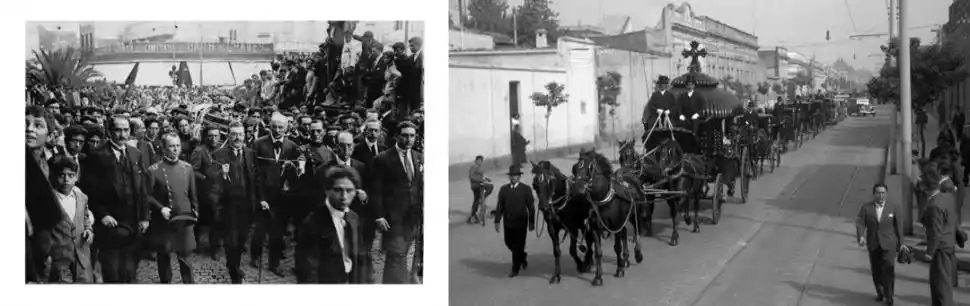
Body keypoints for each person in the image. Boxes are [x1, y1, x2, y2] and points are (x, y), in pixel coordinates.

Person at [81, 115, 150, 283]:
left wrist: (145, 217)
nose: (122, 134)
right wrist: (102, 214)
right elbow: (89, 190)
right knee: (112, 269)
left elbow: (142, 188)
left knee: (130, 269)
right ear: (109, 132)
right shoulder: (97, 155)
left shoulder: (135, 153)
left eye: (126, 130)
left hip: (133, 220)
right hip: (110, 222)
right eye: (118, 130)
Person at [207, 121, 261, 283]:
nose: (238, 138)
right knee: (231, 241)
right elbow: (211, 180)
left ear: (245, 135)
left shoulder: (250, 153)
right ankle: (234, 272)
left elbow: (256, 178)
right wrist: (222, 175)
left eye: (240, 134)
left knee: (242, 240)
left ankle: (235, 264)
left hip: (246, 205)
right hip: (228, 206)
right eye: (234, 134)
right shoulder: (219, 154)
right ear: (228, 136)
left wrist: (260, 200)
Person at [371, 121, 423, 284]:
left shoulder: (419, 157)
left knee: (401, 255)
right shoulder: (383, 159)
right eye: (405, 135)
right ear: (396, 136)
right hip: (393, 218)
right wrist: (379, 215)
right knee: (396, 255)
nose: (409, 139)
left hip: (413, 218)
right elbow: (376, 190)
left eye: (412, 136)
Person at [296, 166, 367, 283]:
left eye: (349, 191)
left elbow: (362, 259)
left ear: (356, 192)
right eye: (338, 190)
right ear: (327, 190)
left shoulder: (354, 218)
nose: (344, 197)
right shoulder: (313, 223)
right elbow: (307, 271)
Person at [252, 113, 301, 277]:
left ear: (286, 129)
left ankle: (274, 263)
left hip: (282, 197)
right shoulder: (259, 144)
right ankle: (255, 256)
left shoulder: (292, 146)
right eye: (274, 127)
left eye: (281, 127)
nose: (277, 130)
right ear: (269, 127)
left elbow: (294, 174)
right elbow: (255, 173)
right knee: (259, 229)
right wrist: (260, 197)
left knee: (278, 232)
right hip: (263, 193)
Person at [145, 133, 198, 284]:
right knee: (163, 256)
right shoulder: (154, 170)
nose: (175, 149)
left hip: (184, 219)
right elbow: (146, 195)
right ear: (163, 148)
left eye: (178, 145)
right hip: (164, 220)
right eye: (171, 146)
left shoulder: (187, 168)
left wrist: (195, 212)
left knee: (186, 257)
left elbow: (193, 194)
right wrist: (160, 208)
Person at [26, 106, 67, 283]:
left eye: (38, 125)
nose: (29, 129)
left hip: (48, 245)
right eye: (25, 124)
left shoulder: (52, 164)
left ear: (50, 136)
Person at [46, 156, 95, 283]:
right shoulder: (48, 200)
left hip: (81, 254)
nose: (66, 179)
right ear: (53, 177)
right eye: (61, 175)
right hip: (59, 257)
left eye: (70, 175)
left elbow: (85, 218)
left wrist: (88, 230)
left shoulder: (81, 197)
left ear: (76, 177)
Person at [855, 183, 905, 305]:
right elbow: (860, 222)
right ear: (874, 194)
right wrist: (861, 236)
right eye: (878, 193)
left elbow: (899, 226)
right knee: (876, 271)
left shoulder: (893, 207)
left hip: (889, 245)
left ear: (886, 194)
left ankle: (889, 296)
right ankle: (881, 293)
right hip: (874, 244)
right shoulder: (867, 208)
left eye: (883, 193)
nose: (881, 195)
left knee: (888, 270)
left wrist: (901, 244)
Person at [919, 163, 958, 306]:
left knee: (941, 288)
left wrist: (929, 253)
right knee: (940, 285)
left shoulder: (933, 205)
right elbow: (952, 220)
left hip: (940, 250)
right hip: (949, 245)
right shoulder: (948, 198)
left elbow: (936, 233)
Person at [493, 165, 535, 278]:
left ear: (519, 177)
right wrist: (497, 221)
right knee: (508, 242)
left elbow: (531, 207)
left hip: (521, 221)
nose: (513, 177)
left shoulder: (526, 189)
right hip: (508, 221)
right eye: (511, 175)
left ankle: (515, 269)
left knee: (519, 245)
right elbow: (500, 206)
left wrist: (531, 222)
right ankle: (522, 257)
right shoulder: (504, 189)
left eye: (515, 175)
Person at [190, 125, 220, 260]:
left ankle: (214, 248)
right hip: (203, 192)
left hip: (218, 191)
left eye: (216, 136)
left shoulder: (221, 149)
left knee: (216, 221)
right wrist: (205, 178)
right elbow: (193, 170)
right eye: (210, 136)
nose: (213, 139)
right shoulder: (199, 151)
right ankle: (196, 244)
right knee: (200, 220)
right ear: (205, 137)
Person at [467, 155, 494, 224]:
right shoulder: (473, 167)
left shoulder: (479, 168)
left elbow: (481, 176)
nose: (480, 162)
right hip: (476, 185)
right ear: (475, 161)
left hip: (479, 185)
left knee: (476, 199)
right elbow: (471, 176)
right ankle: (482, 199)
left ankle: (473, 215)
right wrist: (481, 180)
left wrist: (486, 179)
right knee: (490, 187)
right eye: (478, 160)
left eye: (481, 161)